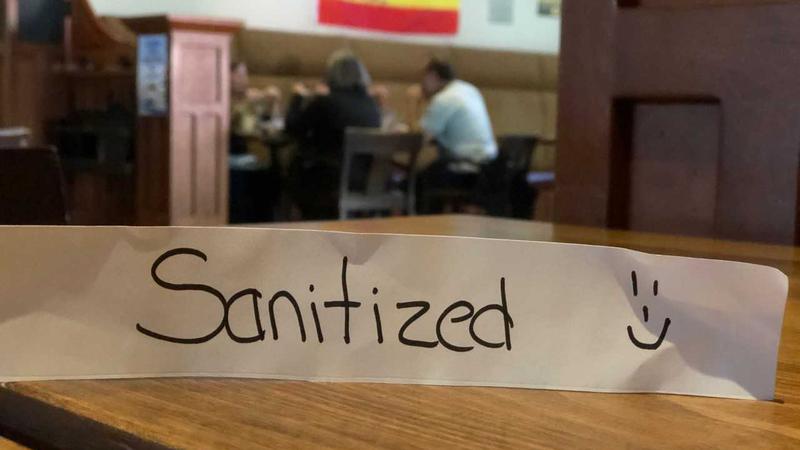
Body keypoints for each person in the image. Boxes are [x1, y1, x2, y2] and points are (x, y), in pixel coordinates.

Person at [285, 50, 381, 219]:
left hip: (327, 182)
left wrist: (297, 97)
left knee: (294, 163)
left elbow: (293, 129)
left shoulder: (325, 102)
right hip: (364, 180)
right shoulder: (371, 105)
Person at [412, 59, 497, 213]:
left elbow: (421, 137)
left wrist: (415, 103)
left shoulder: (444, 99)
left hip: (464, 167)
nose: (422, 84)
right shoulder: (469, 89)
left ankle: (425, 225)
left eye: (424, 78)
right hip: (490, 166)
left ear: (432, 76)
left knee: (417, 182)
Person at [230, 61, 281, 154]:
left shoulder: (251, 96)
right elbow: (242, 129)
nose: (244, 79)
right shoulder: (221, 101)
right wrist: (245, 103)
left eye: (245, 75)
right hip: (227, 153)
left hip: (243, 150)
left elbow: (272, 122)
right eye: (239, 75)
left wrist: (273, 102)